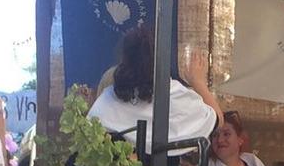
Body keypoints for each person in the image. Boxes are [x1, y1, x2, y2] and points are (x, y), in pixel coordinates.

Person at [89, 24, 220, 149]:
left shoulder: (108, 98)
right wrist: (198, 83)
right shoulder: (174, 93)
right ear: (162, 57)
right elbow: (217, 120)